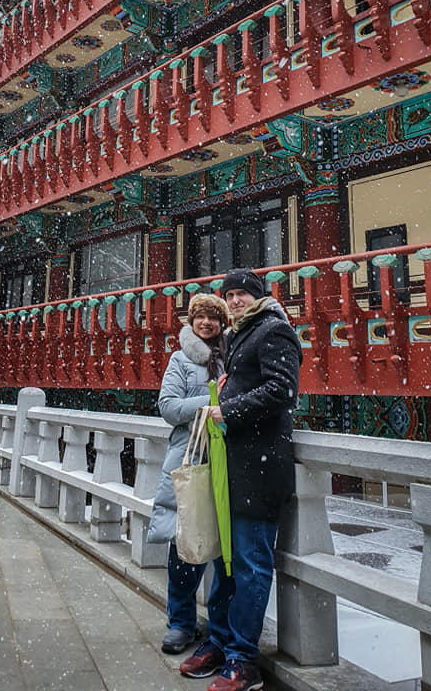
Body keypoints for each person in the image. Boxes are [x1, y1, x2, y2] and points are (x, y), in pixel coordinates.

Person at [179, 268, 302, 691]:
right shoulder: (238, 336)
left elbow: (283, 391)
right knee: (224, 562)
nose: (233, 301)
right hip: (231, 469)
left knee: (249, 565)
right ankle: (219, 639)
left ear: (257, 297)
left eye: (241, 294)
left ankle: (242, 658)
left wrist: (227, 410)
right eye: (228, 294)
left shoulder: (275, 331)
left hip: (260, 469)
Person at [148, 293, 230, 655]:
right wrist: (213, 401)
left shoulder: (234, 357)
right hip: (190, 457)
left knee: (226, 546)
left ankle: (220, 625)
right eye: (200, 317)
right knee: (184, 542)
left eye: (214, 317)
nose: (206, 323)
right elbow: (168, 407)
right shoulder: (180, 360)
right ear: (191, 321)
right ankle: (180, 621)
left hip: (228, 459)